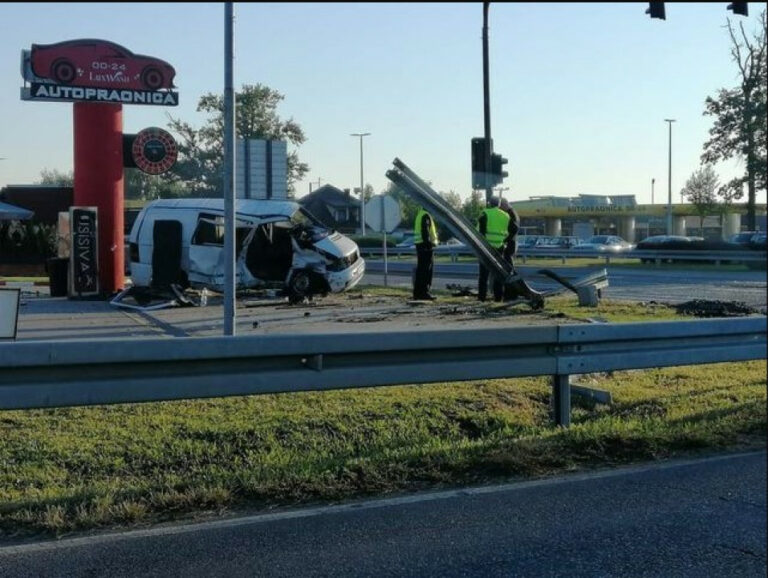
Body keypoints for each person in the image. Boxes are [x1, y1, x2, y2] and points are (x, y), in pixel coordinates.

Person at [476, 196, 510, 302]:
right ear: (499, 204)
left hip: (487, 246)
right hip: (499, 247)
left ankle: (482, 297)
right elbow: (506, 232)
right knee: (498, 273)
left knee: (484, 274)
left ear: (489, 203)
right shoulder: (506, 215)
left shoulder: (485, 213)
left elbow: (479, 231)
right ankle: (498, 297)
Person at [412, 206, 438, 300]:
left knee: (420, 270)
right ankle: (424, 292)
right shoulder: (426, 216)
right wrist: (429, 244)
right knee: (426, 271)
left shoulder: (419, 214)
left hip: (419, 245)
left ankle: (417, 293)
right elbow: (425, 232)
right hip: (425, 246)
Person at [499, 196, 521, 265]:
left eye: (500, 206)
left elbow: (515, 228)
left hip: (511, 241)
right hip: (512, 240)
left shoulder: (511, 213)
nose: (500, 208)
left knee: (508, 256)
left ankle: (511, 270)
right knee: (508, 257)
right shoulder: (512, 212)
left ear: (504, 204)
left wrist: (506, 239)